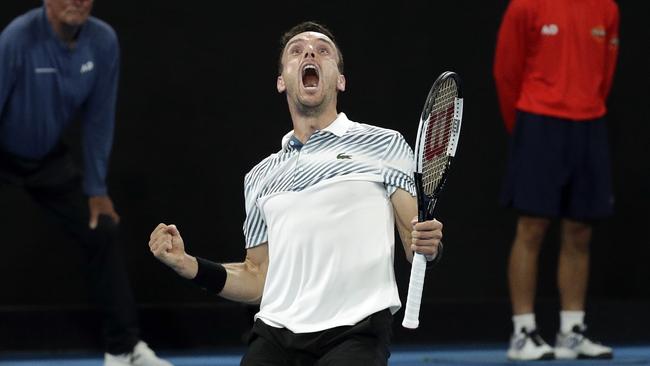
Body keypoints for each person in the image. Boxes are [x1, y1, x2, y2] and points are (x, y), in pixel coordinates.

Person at [148, 21, 444, 365]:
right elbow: (257, 276)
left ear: (341, 80)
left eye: (323, 50)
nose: (309, 52)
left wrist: (429, 245)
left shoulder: (383, 144)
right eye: (297, 50)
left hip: (356, 331)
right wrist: (189, 265)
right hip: (276, 332)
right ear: (280, 81)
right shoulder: (260, 176)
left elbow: (414, 239)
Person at [0, 1, 172, 365]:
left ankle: (123, 348)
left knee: (102, 229)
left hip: (47, 159)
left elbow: (99, 118)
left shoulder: (103, 41)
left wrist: (96, 189)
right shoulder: (16, 38)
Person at [493, 0, 619, 361]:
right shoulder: (525, 6)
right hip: (537, 122)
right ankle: (522, 333)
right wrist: (523, 132)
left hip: (589, 123)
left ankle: (571, 332)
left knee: (581, 230)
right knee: (532, 227)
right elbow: (506, 72)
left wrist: (585, 107)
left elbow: (605, 74)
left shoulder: (607, 8)